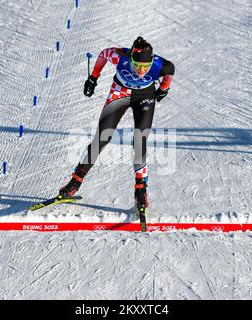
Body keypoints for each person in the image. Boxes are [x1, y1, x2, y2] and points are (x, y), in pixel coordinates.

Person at [58, 36, 175, 211]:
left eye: (145, 67)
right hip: (119, 94)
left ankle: (140, 190)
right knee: (102, 138)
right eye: (137, 66)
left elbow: (170, 71)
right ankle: (75, 182)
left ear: (152, 62)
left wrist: (164, 89)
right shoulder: (120, 57)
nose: (141, 71)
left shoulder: (160, 65)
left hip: (144, 97)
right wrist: (93, 78)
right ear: (131, 59)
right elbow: (103, 55)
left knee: (140, 139)